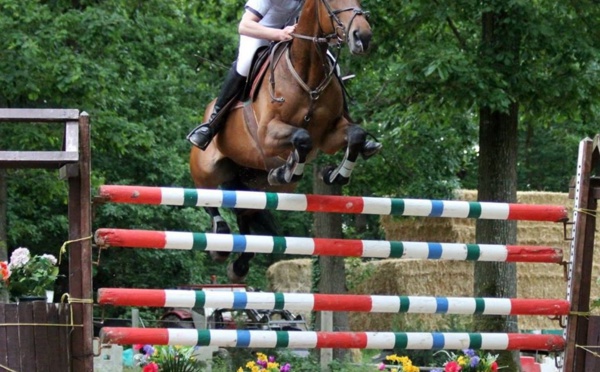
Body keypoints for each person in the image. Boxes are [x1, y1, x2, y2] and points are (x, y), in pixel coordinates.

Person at [187, 0, 303, 150]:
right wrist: (279, 34)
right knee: (245, 64)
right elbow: (245, 25)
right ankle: (212, 123)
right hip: (259, 34)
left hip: (288, 38)